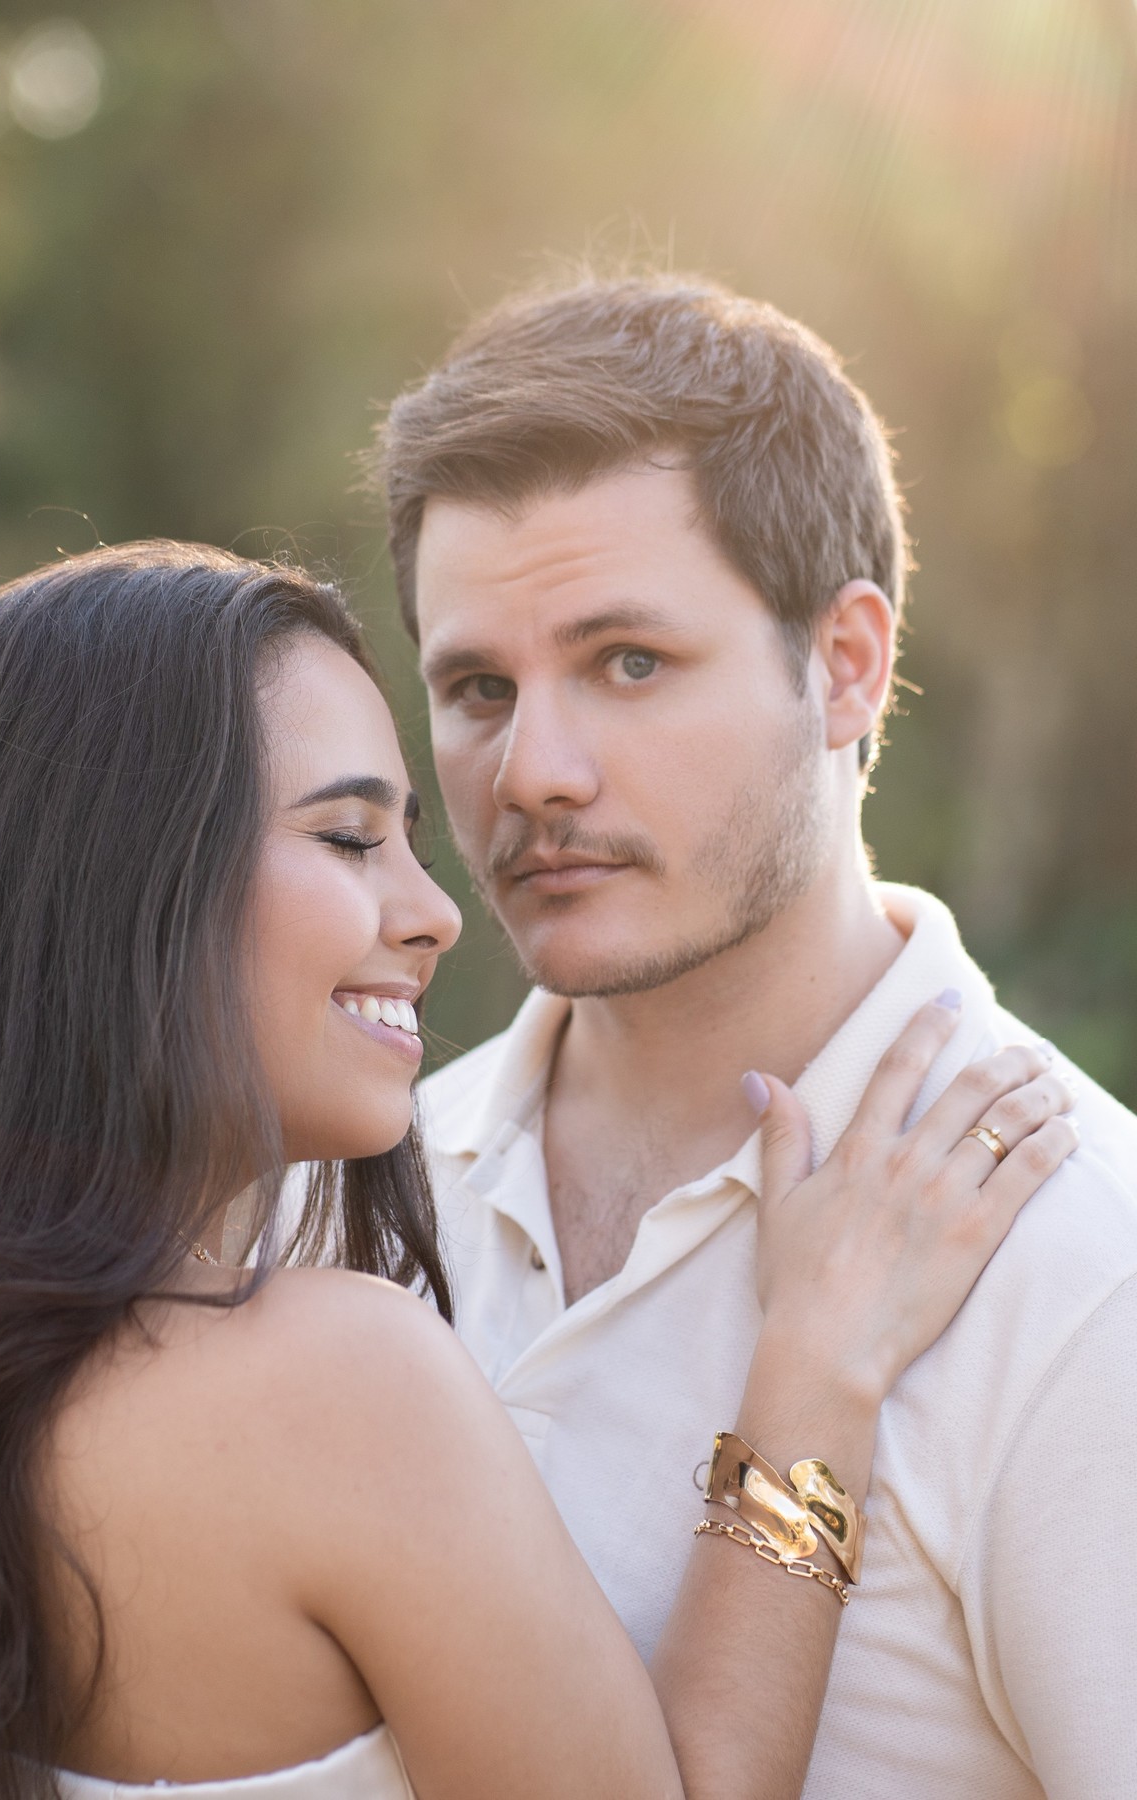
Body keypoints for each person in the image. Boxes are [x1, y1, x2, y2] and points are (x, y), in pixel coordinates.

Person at [0, 543, 1072, 1800]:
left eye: (410, 843)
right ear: (113, 879)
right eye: (349, 837)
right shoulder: (331, 1381)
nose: (435, 914)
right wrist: (819, 1369)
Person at [373, 273, 1137, 1800]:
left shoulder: (1081, 1271)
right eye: (477, 686)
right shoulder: (352, 1198)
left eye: (629, 663)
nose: (534, 773)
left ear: (847, 665)